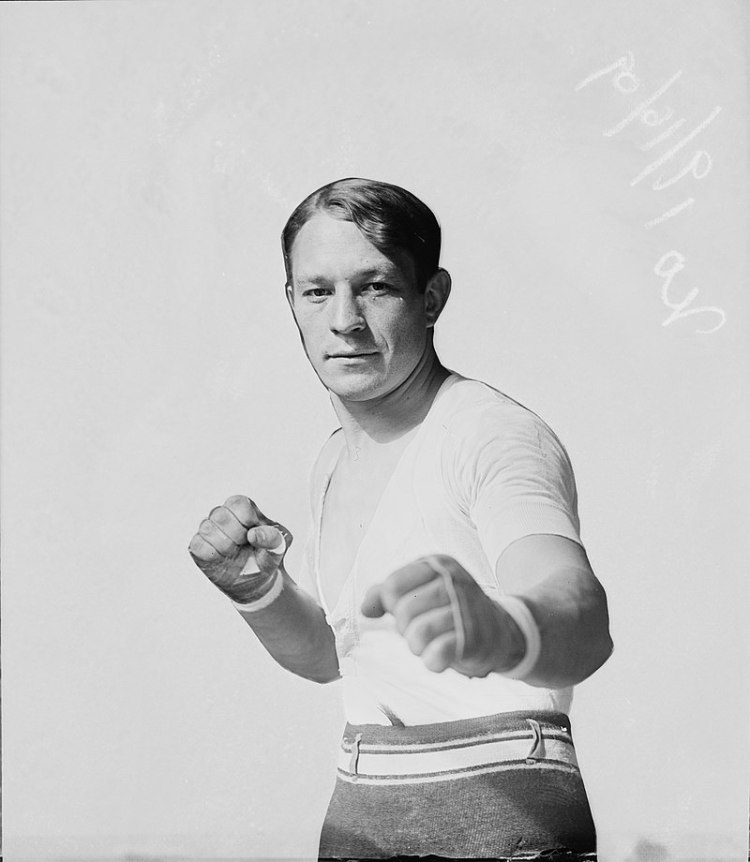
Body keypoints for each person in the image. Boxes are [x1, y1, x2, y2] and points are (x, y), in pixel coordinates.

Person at [188, 178, 613, 861]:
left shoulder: (490, 434)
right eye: (318, 291)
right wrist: (258, 591)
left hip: (500, 814)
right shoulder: (333, 459)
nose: (345, 320)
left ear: (432, 297)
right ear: (291, 301)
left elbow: (584, 621)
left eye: (376, 287)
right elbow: (336, 659)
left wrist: (502, 631)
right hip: (361, 806)